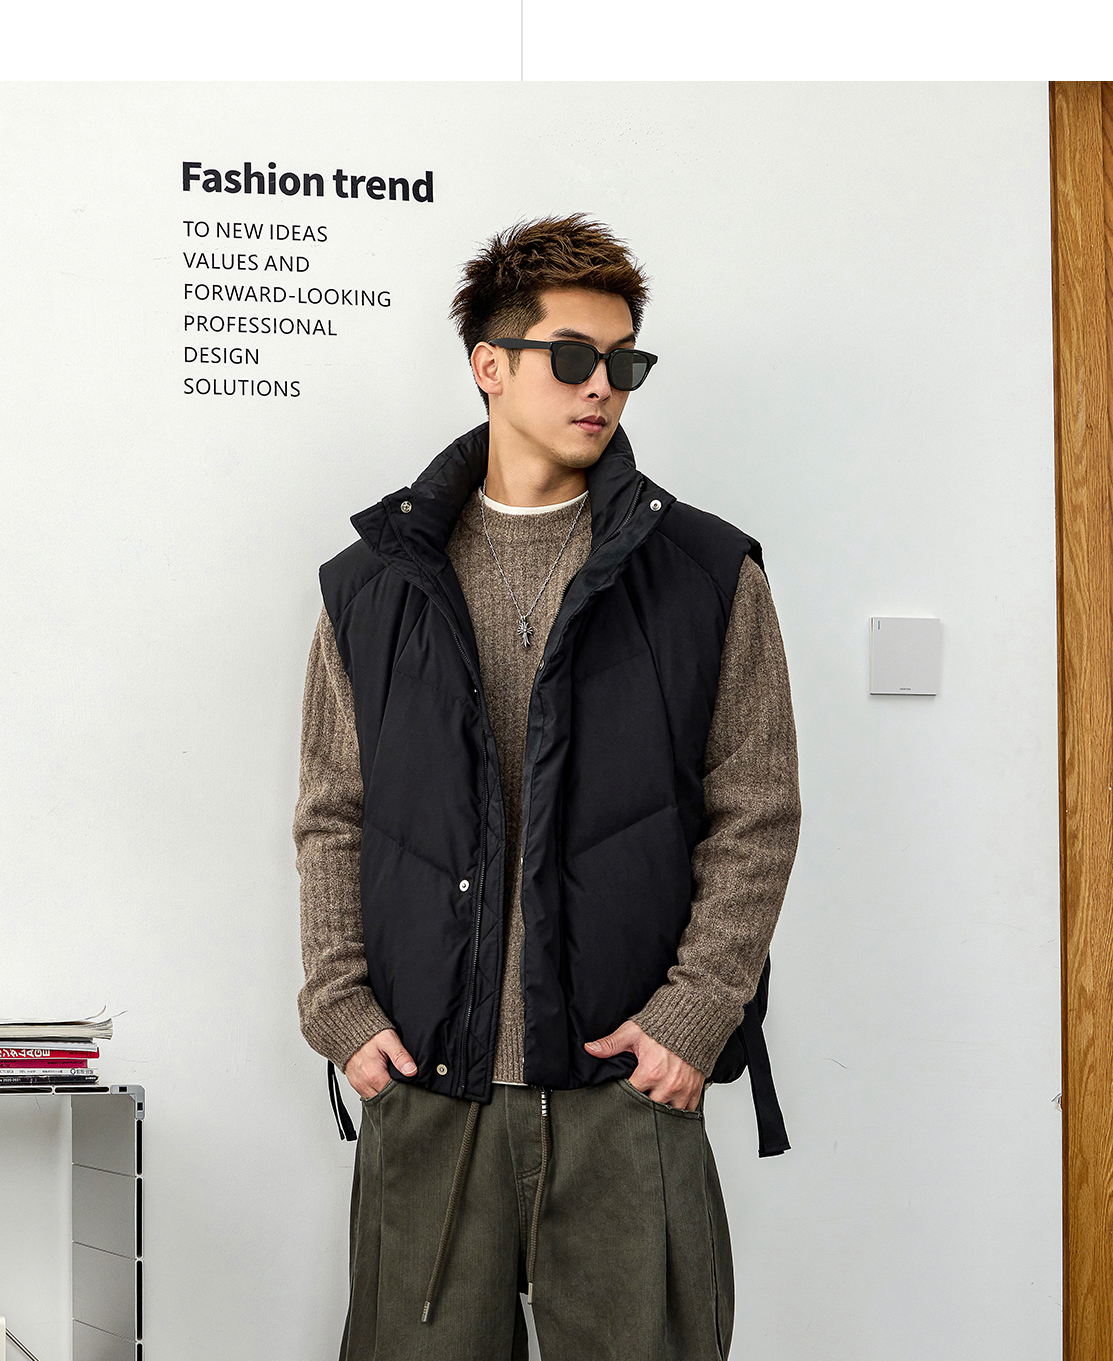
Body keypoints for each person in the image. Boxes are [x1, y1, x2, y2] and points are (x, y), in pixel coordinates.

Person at [293, 213, 801, 1360]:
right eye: (572, 356)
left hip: (629, 1086)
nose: (602, 385)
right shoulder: (371, 586)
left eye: (624, 362)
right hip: (431, 1082)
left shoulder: (708, 573)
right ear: (490, 364)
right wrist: (339, 1004)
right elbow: (333, 811)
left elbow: (757, 811)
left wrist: (693, 1016)